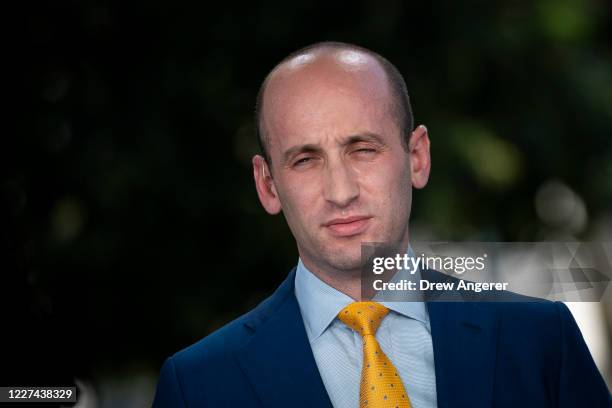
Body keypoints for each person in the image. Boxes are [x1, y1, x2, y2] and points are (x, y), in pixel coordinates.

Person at [151, 42, 611, 408]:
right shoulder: (198, 386)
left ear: (417, 157)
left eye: (363, 149)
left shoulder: (539, 341)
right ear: (268, 185)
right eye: (306, 160)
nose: (341, 191)